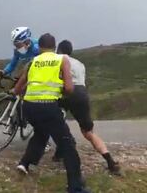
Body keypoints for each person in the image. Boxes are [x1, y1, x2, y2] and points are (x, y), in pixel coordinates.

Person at [14, 33, 89, 193]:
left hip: (29, 107)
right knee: (67, 145)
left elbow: (17, 89)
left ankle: (25, 163)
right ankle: (75, 188)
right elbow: (69, 88)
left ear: (39, 47)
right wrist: (59, 89)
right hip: (48, 106)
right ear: (54, 47)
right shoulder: (62, 60)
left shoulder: (32, 61)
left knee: (41, 133)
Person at [53, 40, 121, 174]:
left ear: (59, 50)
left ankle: (61, 150)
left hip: (66, 92)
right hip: (82, 93)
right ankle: (110, 161)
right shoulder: (80, 64)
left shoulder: (59, 59)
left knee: (55, 121)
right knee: (88, 132)